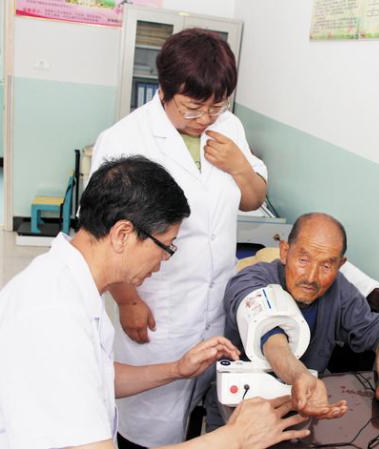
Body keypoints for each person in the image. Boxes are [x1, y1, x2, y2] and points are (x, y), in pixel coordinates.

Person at [0, 157, 308, 449]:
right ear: (122, 234)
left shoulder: (71, 282)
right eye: (166, 245)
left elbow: (94, 377)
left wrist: (176, 369)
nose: (165, 260)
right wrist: (234, 438)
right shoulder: (51, 314)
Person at [89, 29, 267, 447]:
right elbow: (103, 235)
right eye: (192, 107)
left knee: (206, 416)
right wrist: (128, 301)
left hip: (215, 305)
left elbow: (253, 198)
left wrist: (240, 165)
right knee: (149, 424)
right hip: (158, 308)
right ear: (164, 90)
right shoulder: (124, 140)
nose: (204, 118)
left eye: (216, 106)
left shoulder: (230, 127)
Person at [223, 213, 379, 419]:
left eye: (326, 266)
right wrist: (300, 376)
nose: (311, 278)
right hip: (240, 410)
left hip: (305, 410)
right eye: (303, 260)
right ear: (284, 252)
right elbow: (272, 339)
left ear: (339, 266)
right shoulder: (250, 280)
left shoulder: (339, 291)